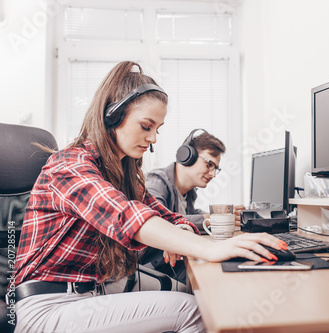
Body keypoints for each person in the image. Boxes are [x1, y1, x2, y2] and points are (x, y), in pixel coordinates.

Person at [13, 61, 287, 333]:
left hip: (91, 293)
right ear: (112, 115)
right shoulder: (69, 165)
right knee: (195, 312)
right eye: (146, 126)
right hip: (48, 306)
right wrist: (211, 248)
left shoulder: (124, 177)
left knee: (191, 293)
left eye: (158, 128)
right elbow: (124, 215)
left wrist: (178, 229)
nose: (154, 138)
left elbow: (167, 216)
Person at [140, 129, 245, 285]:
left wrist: (223, 219)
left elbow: (191, 215)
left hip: (171, 263)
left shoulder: (188, 192)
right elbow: (158, 221)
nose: (213, 174)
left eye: (216, 168)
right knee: (215, 278)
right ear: (186, 156)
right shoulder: (157, 181)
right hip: (153, 268)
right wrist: (211, 219)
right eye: (209, 164)